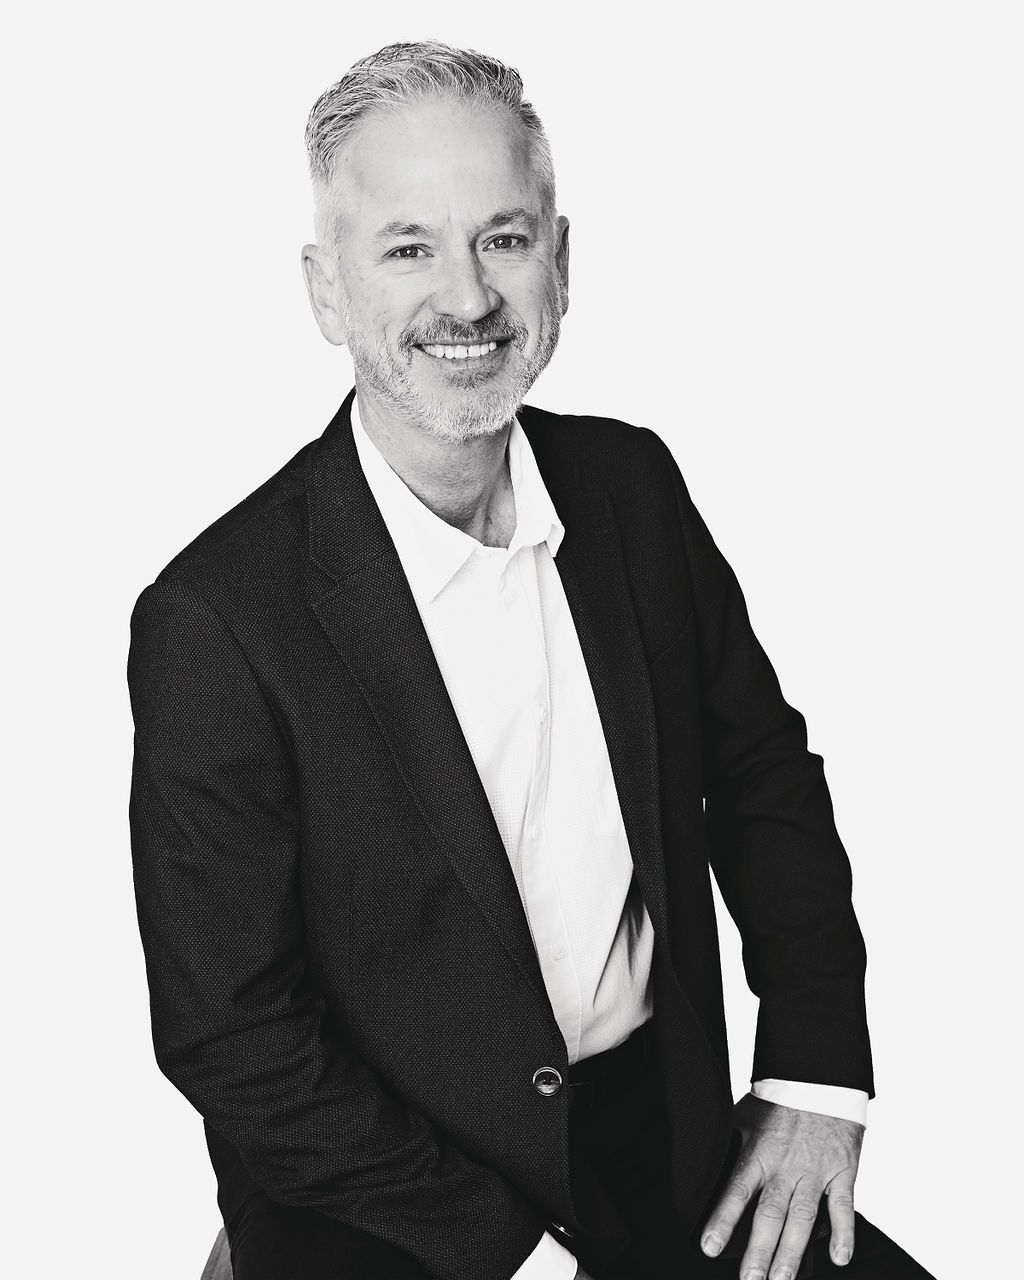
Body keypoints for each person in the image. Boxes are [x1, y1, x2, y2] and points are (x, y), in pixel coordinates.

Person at [127, 40, 934, 1280]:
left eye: (502, 238)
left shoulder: (631, 488)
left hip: (654, 1158)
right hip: (377, 1205)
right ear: (327, 292)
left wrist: (815, 1072)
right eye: (407, 248)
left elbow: (763, 774)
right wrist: (509, 1249)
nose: (465, 297)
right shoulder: (216, 619)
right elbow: (228, 1030)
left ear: (561, 264)